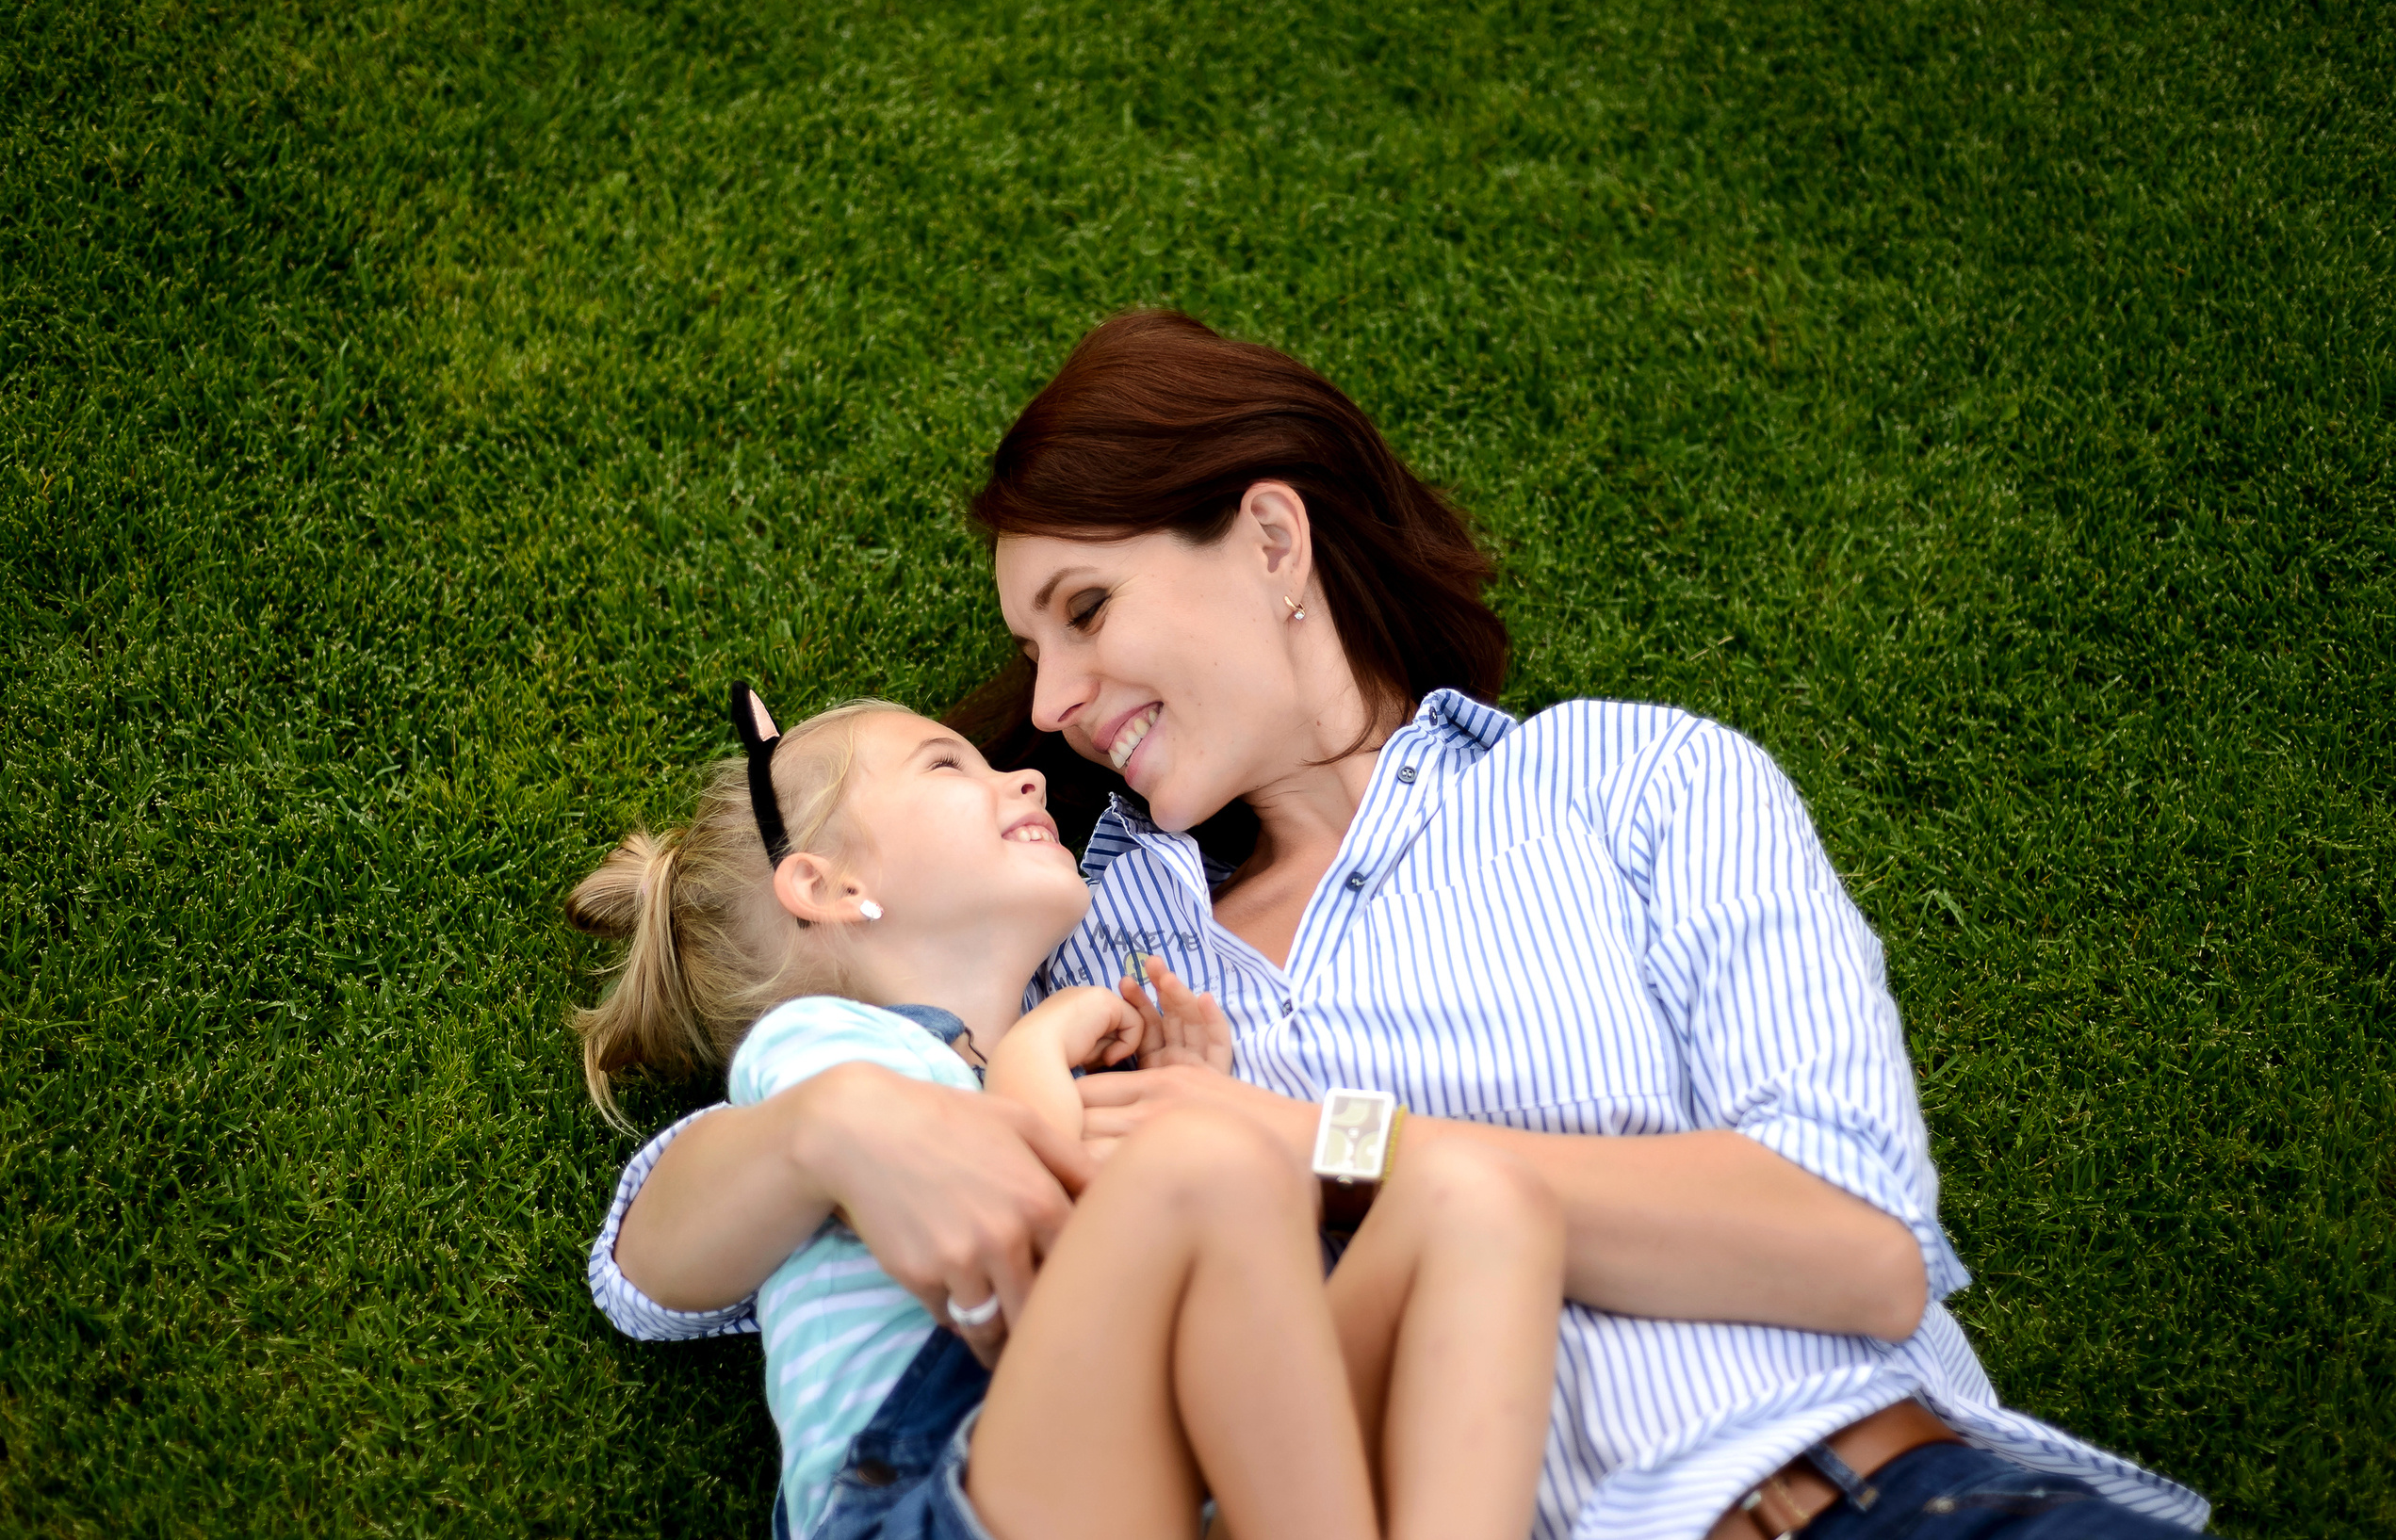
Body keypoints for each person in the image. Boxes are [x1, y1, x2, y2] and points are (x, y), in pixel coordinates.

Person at [589, 311, 2216, 1540]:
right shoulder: (1080, 954)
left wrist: (1319, 1140)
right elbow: (662, 1262)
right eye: (1033, 659)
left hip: (1885, 1503)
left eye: (1085, 611)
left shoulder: (1631, 778)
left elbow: (1856, 1247)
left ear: (1271, 538)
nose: (1055, 703)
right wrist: (834, 1125)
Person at [566, 687, 1566, 1540]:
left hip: (1150, 1472)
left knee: (1482, 1204)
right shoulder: (827, 1045)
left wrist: (1186, 1112)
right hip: (927, 1488)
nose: (1028, 780)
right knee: (1206, 1168)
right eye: (947, 766)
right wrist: (1052, 1062)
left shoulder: (1050, 1071)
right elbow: (1021, 1204)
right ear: (829, 886)